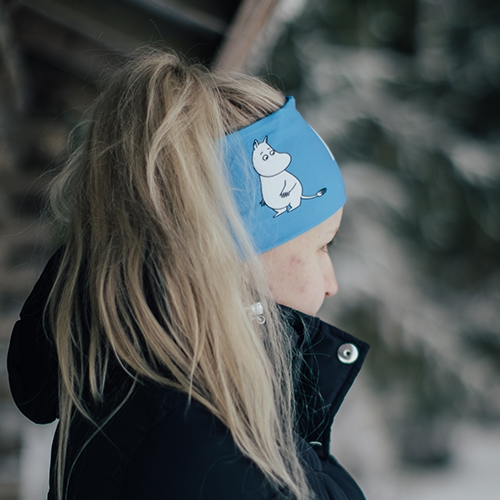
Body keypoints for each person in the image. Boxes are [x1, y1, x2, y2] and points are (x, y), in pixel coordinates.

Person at [7, 50, 369, 499]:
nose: (332, 283)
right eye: (321, 246)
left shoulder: (165, 407)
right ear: (232, 260)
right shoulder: (211, 455)